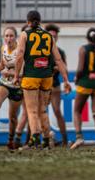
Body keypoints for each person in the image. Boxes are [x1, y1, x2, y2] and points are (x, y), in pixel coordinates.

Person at [13, 11, 71, 149]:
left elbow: (20, 55)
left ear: (28, 22)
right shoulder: (48, 36)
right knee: (43, 110)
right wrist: (66, 79)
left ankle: (35, 135)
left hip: (31, 76)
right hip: (47, 77)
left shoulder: (24, 34)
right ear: (40, 21)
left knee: (32, 110)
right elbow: (58, 59)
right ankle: (46, 138)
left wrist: (16, 75)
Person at [70, 28, 95, 149]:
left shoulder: (83, 49)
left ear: (87, 38)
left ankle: (79, 137)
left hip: (85, 84)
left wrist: (76, 78)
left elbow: (80, 69)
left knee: (77, 111)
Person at [45, 23, 68, 147]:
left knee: (57, 111)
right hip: (42, 84)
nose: (53, 38)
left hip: (54, 85)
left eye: (55, 36)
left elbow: (64, 68)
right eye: (51, 36)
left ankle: (64, 139)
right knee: (41, 112)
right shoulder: (42, 50)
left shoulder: (60, 52)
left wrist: (66, 81)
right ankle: (47, 138)